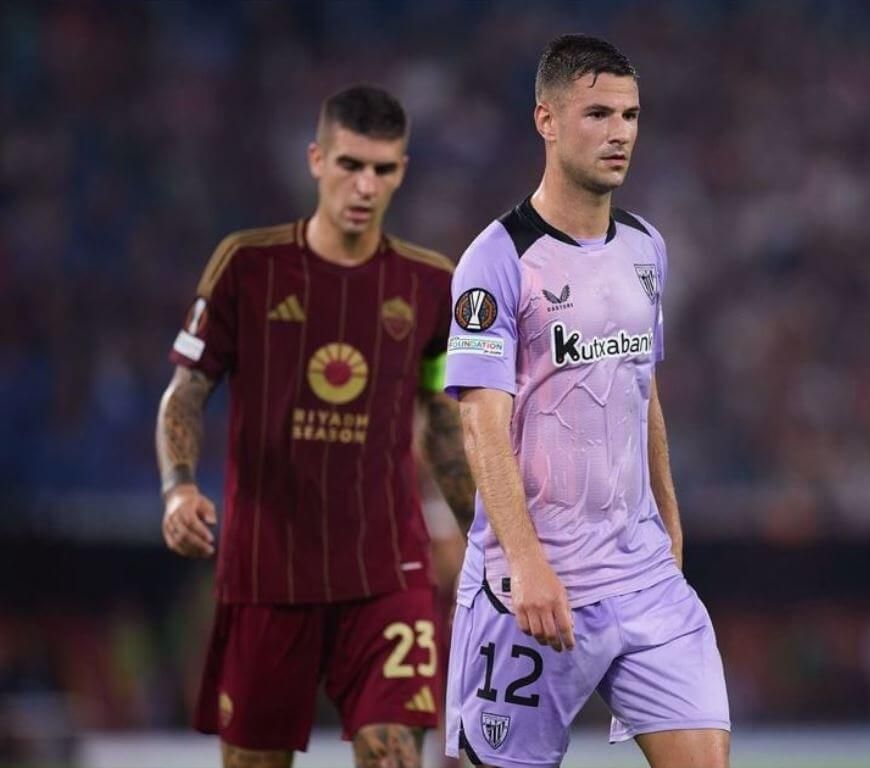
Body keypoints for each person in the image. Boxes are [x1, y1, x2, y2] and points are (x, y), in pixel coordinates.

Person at [156, 85, 474, 768]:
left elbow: (444, 424)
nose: (365, 186)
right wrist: (178, 487)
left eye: (382, 170)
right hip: (268, 573)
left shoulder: (429, 285)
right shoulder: (248, 265)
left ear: (402, 171)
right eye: (350, 164)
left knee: (393, 757)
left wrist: (493, 539)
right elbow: (186, 392)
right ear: (315, 159)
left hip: (387, 571)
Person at [443, 34, 731, 768]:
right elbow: (479, 423)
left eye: (630, 116)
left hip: (642, 579)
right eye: (597, 114)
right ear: (546, 119)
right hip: (533, 589)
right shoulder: (496, 260)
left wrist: (668, 517)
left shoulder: (645, 248)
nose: (619, 134)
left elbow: (643, 390)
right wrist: (527, 560)